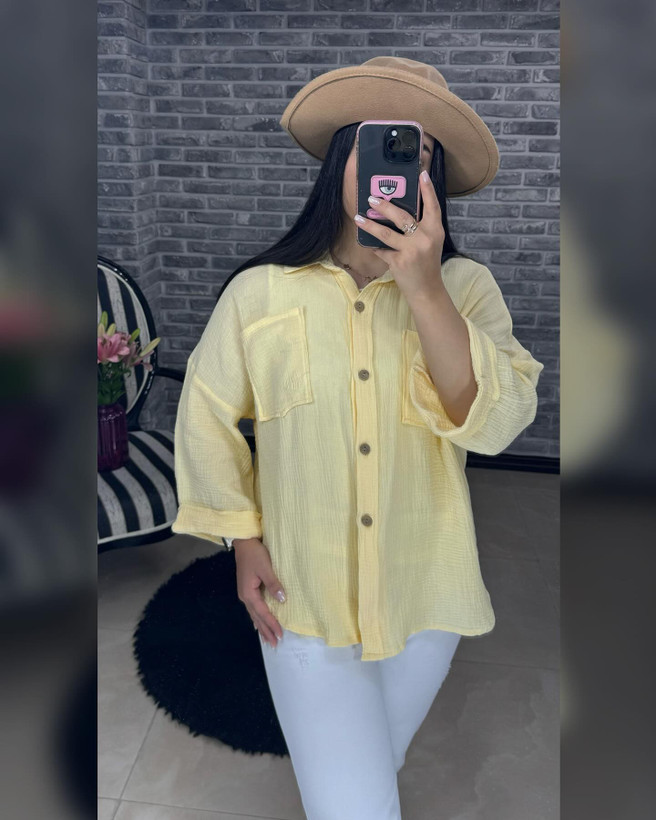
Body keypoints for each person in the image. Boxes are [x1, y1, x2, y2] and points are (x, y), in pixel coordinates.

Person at [172, 56, 545, 819]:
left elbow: (500, 422)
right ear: (344, 157)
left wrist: (424, 287)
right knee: (358, 806)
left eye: (421, 155)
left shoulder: (466, 288)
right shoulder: (261, 293)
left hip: (427, 595)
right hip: (303, 597)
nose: (400, 170)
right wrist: (242, 538)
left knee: (373, 767)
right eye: (384, 145)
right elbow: (205, 414)